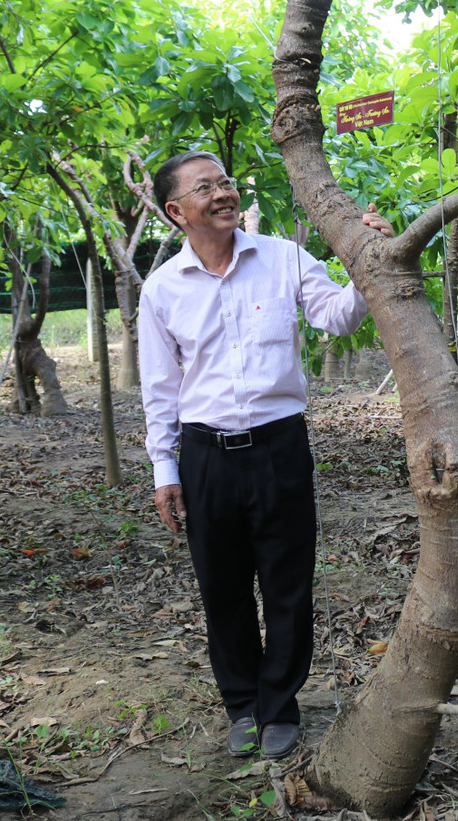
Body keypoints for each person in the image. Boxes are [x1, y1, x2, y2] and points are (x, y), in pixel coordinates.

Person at [138, 151, 393, 760]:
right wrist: (165, 469)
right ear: (176, 211)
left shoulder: (283, 258)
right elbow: (160, 389)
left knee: (287, 583)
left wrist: (370, 258)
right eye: (205, 188)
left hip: (280, 446)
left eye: (225, 182)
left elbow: (337, 317)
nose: (223, 193)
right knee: (221, 587)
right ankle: (242, 705)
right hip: (205, 455)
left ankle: (279, 706)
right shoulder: (162, 288)